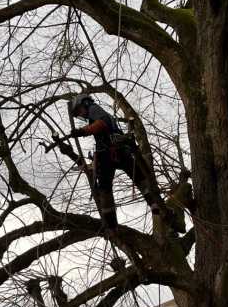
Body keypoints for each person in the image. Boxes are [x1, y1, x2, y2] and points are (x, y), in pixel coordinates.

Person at [65, 94, 160, 232]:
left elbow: (102, 123)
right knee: (114, 184)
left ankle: (114, 222)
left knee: (113, 185)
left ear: (84, 104)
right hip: (114, 150)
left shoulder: (93, 108)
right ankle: (150, 204)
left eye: (79, 111)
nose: (81, 114)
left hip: (111, 151)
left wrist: (82, 131)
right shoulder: (94, 113)